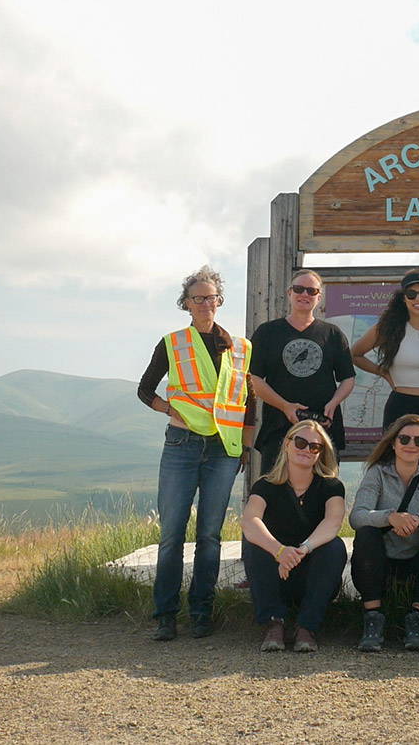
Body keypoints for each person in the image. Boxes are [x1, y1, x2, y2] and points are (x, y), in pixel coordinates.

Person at [136, 266, 252, 641]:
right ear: (185, 304)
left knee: (210, 536)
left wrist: (245, 445)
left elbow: (245, 402)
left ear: (219, 301)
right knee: (171, 534)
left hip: (224, 448)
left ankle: (201, 611)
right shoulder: (172, 343)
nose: (205, 303)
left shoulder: (240, 347)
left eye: (210, 297)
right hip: (181, 446)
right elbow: (145, 389)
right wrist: (170, 410)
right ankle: (165, 616)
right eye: (197, 298)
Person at [239, 420, 349, 653]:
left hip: (313, 576)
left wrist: (303, 549)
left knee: (335, 546)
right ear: (287, 444)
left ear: (320, 454)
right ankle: (273, 623)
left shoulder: (331, 487)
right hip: (274, 574)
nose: (306, 450)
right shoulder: (265, 486)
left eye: (314, 447)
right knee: (254, 543)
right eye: (300, 442)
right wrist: (279, 551)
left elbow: (334, 522)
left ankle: (307, 627)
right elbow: (250, 521)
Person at [347, 414, 419, 652]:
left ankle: (417, 617)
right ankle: (372, 617)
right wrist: (389, 517)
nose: (411, 445)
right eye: (404, 439)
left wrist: (417, 521)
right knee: (365, 534)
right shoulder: (377, 473)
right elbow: (356, 516)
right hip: (379, 560)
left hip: (417, 560)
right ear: (393, 443)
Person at [249, 269, 356, 475]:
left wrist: (333, 403)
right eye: (299, 289)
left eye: (311, 291)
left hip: (322, 430)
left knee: (324, 491)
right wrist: (285, 406)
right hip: (278, 428)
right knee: (274, 493)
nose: (304, 295)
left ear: (319, 297)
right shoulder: (267, 332)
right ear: (289, 293)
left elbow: (347, 378)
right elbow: (254, 378)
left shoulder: (332, 334)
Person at [350, 269, 419, 439]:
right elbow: (355, 354)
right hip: (401, 406)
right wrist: (383, 372)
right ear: (403, 298)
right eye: (411, 294)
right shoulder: (388, 330)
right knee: (397, 462)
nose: (418, 299)